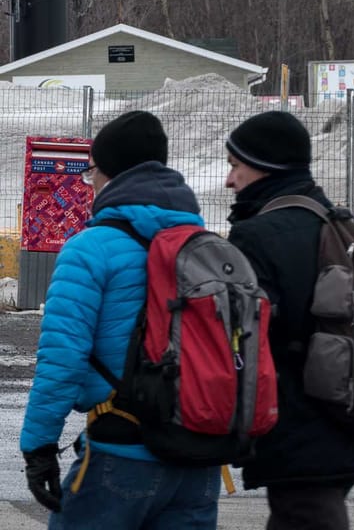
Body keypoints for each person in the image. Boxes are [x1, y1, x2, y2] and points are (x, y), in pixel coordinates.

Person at [20, 110, 222, 528]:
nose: (89, 181)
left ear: (108, 174)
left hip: (120, 453)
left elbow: (62, 358)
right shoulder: (206, 247)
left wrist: (39, 447)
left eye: (91, 170)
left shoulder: (90, 248)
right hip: (200, 461)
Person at [223, 110, 354, 530]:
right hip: (353, 419)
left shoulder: (257, 236)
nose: (229, 180)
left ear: (267, 167)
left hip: (298, 429)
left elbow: (246, 338)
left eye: (235, 166)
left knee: (304, 514)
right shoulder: (350, 227)